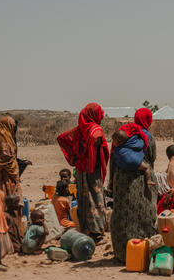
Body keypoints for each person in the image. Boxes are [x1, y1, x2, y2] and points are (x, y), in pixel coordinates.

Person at [110, 107, 158, 262]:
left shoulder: (122, 133)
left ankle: (123, 253)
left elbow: (113, 157)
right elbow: (152, 158)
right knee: (145, 212)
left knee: (122, 213)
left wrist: (111, 180)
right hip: (141, 180)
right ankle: (142, 250)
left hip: (121, 180)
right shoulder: (147, 137)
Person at [57, 103, 109, 242]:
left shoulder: (80, 130)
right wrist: (91, 162)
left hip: (81, 170)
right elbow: (97, 149)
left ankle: (86, 229)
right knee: (96, 199)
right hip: (92, 171)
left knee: (84, 199)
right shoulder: (95, 130)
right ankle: (97, 231)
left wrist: (76, 158)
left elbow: (62, 138)